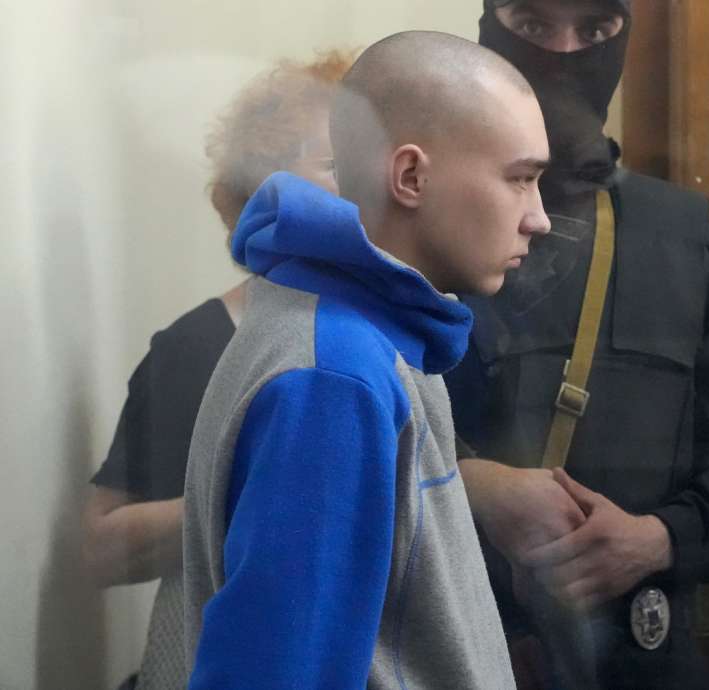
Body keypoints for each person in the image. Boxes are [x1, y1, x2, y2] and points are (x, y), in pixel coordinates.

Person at [178, 31, 550, 687]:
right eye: (519, 179)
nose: (539, 218)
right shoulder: (333, 375)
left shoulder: (371, 337)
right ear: (410, 176)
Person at [446, 1, 709, 687]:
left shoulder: (685, 242)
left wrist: (657, 540)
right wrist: (469, 485)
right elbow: (341, 440)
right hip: (461, 648)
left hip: (642, 654)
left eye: (596, 29)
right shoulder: (420, 218)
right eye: (534, 25)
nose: (565, 53)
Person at [80, 49, 352, 690]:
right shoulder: (198, 346)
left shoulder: (413, 341)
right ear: (265, 187)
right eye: (337, 164)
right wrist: (243, 498)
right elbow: (100, 546)